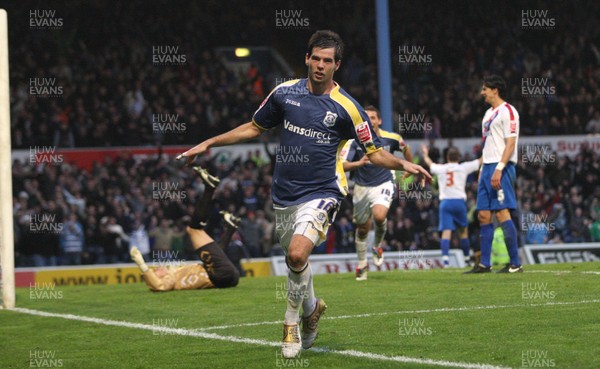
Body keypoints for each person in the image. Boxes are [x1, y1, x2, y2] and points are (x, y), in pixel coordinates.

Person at [177, 30, 431, 358]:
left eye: (328, 60)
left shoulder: (349, 109)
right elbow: (253, 127)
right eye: (316, 58)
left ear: (337, 65)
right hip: (284, 194)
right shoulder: (285, 94)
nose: (321, 65)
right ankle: (312, 309)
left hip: (324, 191)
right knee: (296, 259)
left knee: (297, 254)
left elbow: (375, 152)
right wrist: (209, 142)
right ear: (306, 59)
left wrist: (404, 166)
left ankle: (290, 323)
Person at [131, 167, 240, 291]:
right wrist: (142, 265)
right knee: (193, 229)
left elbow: (217, 255)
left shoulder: (175, 272)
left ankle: (229, 227)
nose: (156, 268)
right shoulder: (170, 279)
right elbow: (159, 286)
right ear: (159, 277)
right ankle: (209, 189)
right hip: (220, 275)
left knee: (212, 251)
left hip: (227, 277)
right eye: (155, 272)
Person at [341, 105, 414, 280]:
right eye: (367, 117)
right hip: (361, 187)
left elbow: (405, 148)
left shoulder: (392, 138)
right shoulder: (353, 141)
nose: (370, 120)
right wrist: (358, 164)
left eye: (373, 117)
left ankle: (377, 245)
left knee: (380, 216)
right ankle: (362, 264)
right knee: (363, 227)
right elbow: (341, 165)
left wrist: (409, 166)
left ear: (379, 121)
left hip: (384, 182)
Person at [466, 75, 523, 273]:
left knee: (501, 212)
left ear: (495, 90)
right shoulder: (488, 114)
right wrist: (483, 169)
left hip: (502, 167)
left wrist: (499, 168)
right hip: (488, 167)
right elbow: (486, 145)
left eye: (485, 89)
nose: (482, 92)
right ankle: (485, 263)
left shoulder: (508, 111)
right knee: (483, 215)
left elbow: (511, 143)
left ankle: (515, 264)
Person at [421, 145, 480, 267]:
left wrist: (426, 154)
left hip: (446, 203)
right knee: (463, 232)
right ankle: (467, 258)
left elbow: (430, 164)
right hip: (459, 202)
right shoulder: (463, 167)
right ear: (458, 157)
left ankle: (446, 260)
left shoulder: (442, 168)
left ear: (447, 157)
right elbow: (480, 161)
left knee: (446, 233)